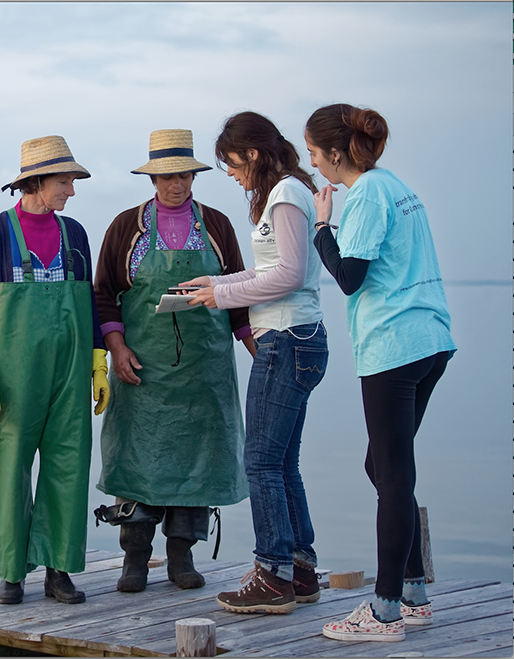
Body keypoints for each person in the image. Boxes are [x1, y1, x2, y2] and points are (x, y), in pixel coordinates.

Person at [304, 104, 455, 642]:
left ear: (335, 152)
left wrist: (322, 225)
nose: (312, 162)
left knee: (392, 475)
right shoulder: (395, 185)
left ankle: (385, 610)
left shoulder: (366, 193)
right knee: (384, 466)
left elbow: (349, 276)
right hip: (430, 340)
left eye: (314, 152)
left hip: (394, 346)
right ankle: (413, 592)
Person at [177, 112, 328, 614]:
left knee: (261, 462)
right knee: (282, 462)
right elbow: (272, 270)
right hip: (299, 337)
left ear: (254, 154)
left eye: (233, 164)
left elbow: (289, 275)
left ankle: (272, 574)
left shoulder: (284, 195)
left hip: (285, 339)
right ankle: (299, 570)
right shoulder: (292, 191)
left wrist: (221, 296)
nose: (232, 174)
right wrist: (215, 284)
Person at [93, 129, 252, 593]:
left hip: (206, 373)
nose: (176, 184)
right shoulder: (126, 227)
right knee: (138, 461)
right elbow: (104, 294)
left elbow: (239, 294)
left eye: (183, 175)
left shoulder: (217, 225)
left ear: (194, 176)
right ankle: (135, 560)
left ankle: (182, 556)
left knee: (198, 462)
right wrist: (116, 349)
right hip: (142, 371)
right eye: (166, 176)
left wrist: (257, 350)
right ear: (153, 179)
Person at [0, 135, 110, 606]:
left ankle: (58, 570)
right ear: (37, 181)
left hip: (69, 376)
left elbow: (89, 304)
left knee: (69, 466)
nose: (71, 190)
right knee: (9, 469)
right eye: (65, 181)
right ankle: (11, 572)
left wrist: (98, 363)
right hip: (12, 379)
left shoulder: (76, 236)